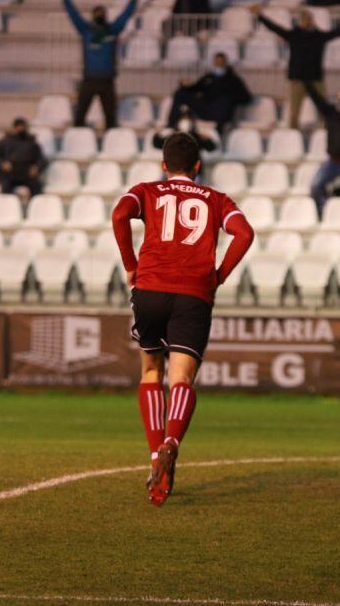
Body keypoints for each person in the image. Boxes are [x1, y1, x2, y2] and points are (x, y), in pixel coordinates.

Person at [111, 132, 255, 506]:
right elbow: (244, 233)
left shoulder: (147, 191)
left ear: (164, 166)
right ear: (197, 166)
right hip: (194, 292)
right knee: (182, 378)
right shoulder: (218, 200)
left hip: (151, 288)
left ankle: (156, 456)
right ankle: (172, 441)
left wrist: (131, 265)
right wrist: (219, 275)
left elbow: (119, 214)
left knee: (149, 372)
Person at [250, 5, 340, 130]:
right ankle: (293, 136)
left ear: (312, 20)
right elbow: (275, 28)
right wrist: (260, 16)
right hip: (297, 79)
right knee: (294, 111)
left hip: (315, 79)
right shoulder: (294, 35)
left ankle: (328, 131)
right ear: (300, 21)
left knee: (324, 109)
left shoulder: (319, 36)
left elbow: (337, 32)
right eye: (304, 19)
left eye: (309, 18)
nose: (307, 21)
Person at [63, 0, 139, 131]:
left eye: (102, 13)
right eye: (97, 13)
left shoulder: (112, 30)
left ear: (105, 15)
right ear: (93, 16)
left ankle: (113, 146)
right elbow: (74, 16)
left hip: (107, 80)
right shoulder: (86, 30)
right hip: (89, 79)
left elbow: (125, 16)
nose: (100, 15)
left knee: (111, 119)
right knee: (79, 118)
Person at [165, 52, 251, 137]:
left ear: (225, 63)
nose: (219, 65)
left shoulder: (234, 80)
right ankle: (171, 126)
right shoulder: (209, 77)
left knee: (224, 99)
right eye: (217, 62)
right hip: (206, 108)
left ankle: (217, 135)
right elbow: (196, 88)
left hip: (221, 113)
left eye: (221, 62)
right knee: (180, 93)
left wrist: (230, 96)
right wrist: (186, 85)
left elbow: (246, 98)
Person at [0, 117, 47, 195]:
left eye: (22, 126)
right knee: (5, 191)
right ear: (14, 127)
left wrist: (37, 167)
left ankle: (36, 206)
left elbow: (42, 159)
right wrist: (2, 163)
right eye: (18, 126)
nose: (20, 128)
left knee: (37, 189)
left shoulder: (32, 143)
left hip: (27, 174)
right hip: (9, 174)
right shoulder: (4, 142)